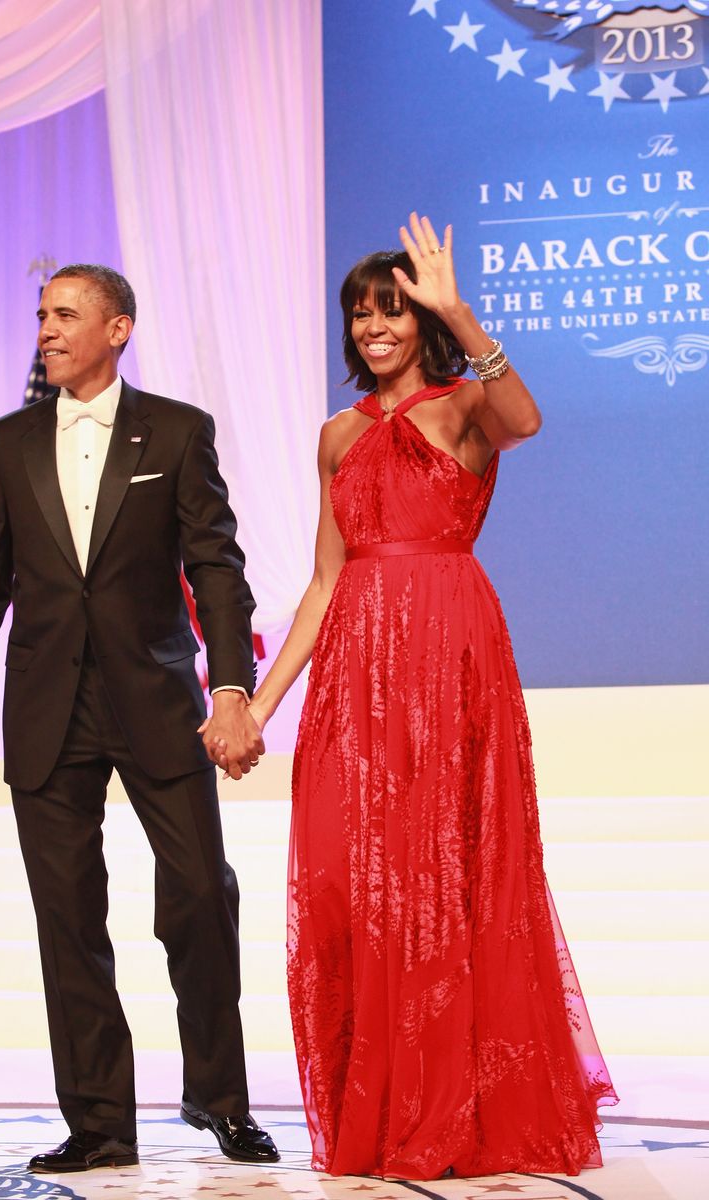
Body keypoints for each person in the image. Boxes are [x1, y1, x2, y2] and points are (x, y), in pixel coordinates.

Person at [242, 215, 617, 1179]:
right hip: (355, 675)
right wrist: (257, 700)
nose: (374, 328)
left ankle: (460, 1104)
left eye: (393, 311)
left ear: (422, 322)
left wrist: (461, 309)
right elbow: (324, 583)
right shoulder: (336, 436)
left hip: (450, 654)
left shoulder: (462, 409)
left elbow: (525, 422)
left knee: (453, 872)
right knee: (349, 880)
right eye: (360, 314)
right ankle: (383, 1103)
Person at [0, 264, 278, 1173]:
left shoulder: (176, 429)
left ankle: (219, 1099)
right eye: (42, 315)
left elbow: (217, 567)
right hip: (48, 708)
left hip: (158, 699)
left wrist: (232, 686)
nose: (46, 328)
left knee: (203, 893)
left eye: (65, 314)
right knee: (68, 917)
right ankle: (98, 1123)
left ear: (118, 328)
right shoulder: (4, 442)